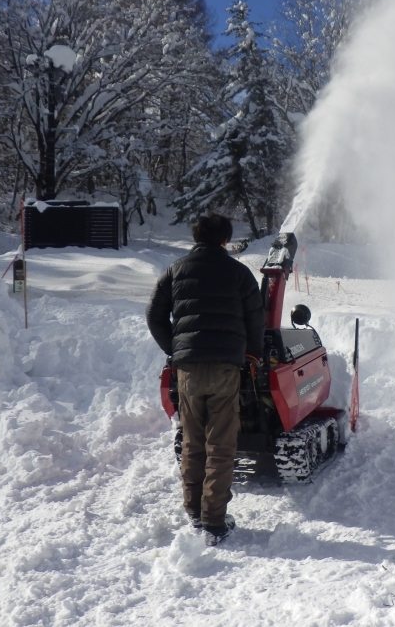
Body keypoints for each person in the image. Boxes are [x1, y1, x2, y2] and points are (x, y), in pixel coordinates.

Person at [145, 213, 265, 546]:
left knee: (193, 442)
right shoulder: (240, 273)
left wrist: (175, 348)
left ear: (195, 238)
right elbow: (257, 319)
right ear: (225, 240)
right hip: (226, 368)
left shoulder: (175, 270)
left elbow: (154, 313)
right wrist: (252, 355)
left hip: (188, 370)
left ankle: (194, 512)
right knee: (221, 445)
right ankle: (214, 520)